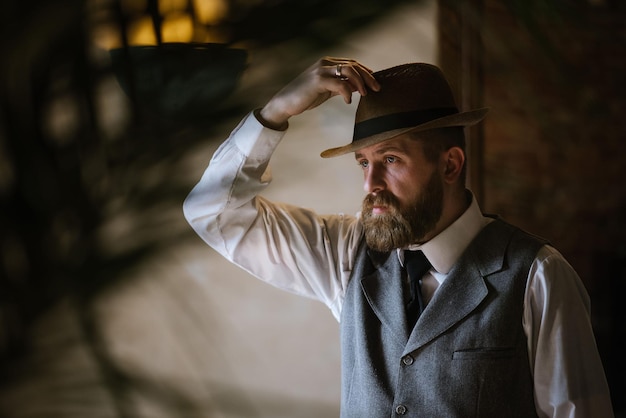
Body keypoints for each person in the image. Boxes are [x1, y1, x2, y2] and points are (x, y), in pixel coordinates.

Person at [183, 57, 614, 417]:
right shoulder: (348, 254)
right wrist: (276, 112)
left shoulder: (539, 275)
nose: (372, 183)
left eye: (390, 159)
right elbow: (212, 212)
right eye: (363, 164)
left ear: (450, 165)